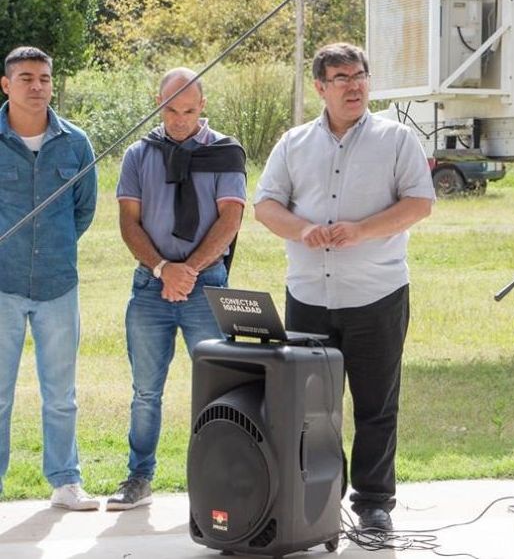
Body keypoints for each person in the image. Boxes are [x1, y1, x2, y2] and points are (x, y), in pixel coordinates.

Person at [254, 43, 434, 532]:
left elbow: (420, 203)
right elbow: (265, 205)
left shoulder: (396, 140)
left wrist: (362, 230)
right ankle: (317, 498)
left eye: (360, 75)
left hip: (376, 294)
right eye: (341, 77)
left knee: (376, 404)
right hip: (309, 296)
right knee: (313, 409)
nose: (354, 85)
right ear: (320, 87)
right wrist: (301, 230)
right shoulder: (292, 143)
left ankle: (374, 502)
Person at [109, 68, 246, 510]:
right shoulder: (139, 154)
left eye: (188, 110)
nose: (179, 119)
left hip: (205, 286)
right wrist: (165, 268)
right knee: (146, 390)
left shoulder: (225, 153)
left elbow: (231, 219)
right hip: (151, 287)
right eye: (171, 109)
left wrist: (188, 270)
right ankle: (138, 477)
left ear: (202, 106)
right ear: (158, 103)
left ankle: (216, 480)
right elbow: (129, 221)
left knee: (217, 389)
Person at [0, 46, 99, 510]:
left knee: (61, 393)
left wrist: (54, 244)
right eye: (25, 78)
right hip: (2, 284)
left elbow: (83, 211)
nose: (36, 86)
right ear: (6, 84)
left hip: (59, 283)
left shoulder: (76, 142)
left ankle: (65, 482)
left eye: (43, 78)